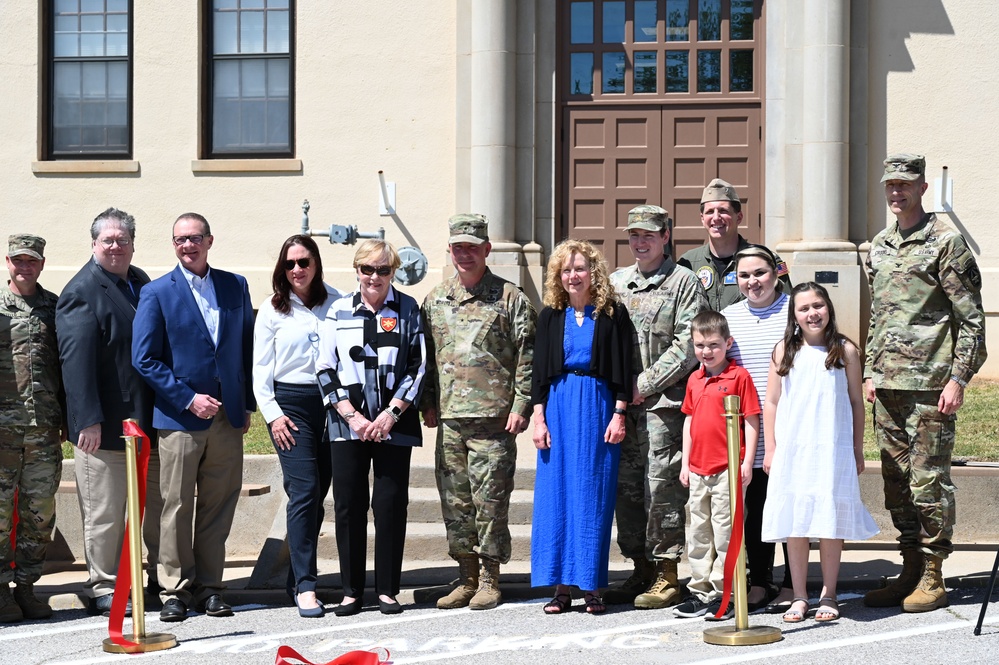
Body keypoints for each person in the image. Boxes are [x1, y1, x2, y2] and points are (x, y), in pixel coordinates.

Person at [863, 153, 987, 613]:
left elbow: (971, 321)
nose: (897, 193)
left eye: (905, 185)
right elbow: (879, 314)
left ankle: (934, 574)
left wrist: (958, 379)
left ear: (921, 188)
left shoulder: (946, 243)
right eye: (890, 186)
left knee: (928, 482)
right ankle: (910, 566)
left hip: (932, 386)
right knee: (895, 483)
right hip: (889, 387)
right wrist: (873, 372)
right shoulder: (878, 245)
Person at [132, 213, 256, 622]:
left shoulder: (234, 285)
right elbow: (144, 358)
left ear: (209, 240)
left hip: (227, 419)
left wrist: (246, 404)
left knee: (219, 505)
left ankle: (211, 587)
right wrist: (188, 398)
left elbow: (244, 348)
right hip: (179, 420)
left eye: (195, 238)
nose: (188, 245)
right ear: (173, 245)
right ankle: (173, 589)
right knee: (176, 505)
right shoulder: (156, 292)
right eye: (180, 240)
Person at [420, 214, 536, 611]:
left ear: (487, 250)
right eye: (458, 247)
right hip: (451, 420)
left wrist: (522, 405)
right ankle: (466, 576)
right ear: (449, 250)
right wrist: (428, 402)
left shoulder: (509, 299)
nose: (465, 254)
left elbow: (528, 357)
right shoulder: (435, 300)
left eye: (472, 247)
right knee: (455, 502)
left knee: (490, 502)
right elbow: (428, 360)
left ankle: (490, 578)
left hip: (494, 421)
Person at [56, 208, 163, 617]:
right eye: (108, 240)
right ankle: (103, 584)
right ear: (94, 244)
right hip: (103, 428)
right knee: (104, 512)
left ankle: (149, 578)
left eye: (123, 240)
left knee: (148, 508)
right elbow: (74, 362)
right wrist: (87, 421)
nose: (116, 246)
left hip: (146, 421)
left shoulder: (139, 281)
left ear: (133, 243)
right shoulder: (82, 290)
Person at [317, 240, 427, 617]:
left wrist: (389, 415)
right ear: (357, 270)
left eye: (383, 270)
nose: (374, 277)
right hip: (348, 424)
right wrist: (353, 417)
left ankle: (387, 590)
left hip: (393, 423)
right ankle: (351, 591)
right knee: (349, 506)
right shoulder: (338, 310)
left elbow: (418, 365)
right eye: (367, 269)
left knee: (390, 504)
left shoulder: (409, 308)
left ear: (393, 271)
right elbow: (324, 367)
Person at [606, 205, 707, 609]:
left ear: (666, 235)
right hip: (621, 408)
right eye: (633, 235)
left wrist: (642, 385)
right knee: (627, 491)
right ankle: (640, 567)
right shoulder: (615, 283)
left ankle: (666, 572)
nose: (640, 242)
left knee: (660, 488)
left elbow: (689, 344)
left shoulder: (683, 282)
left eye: (648, 234)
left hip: (663, 407)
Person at [761, 282, 878, 623]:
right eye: (804, 308)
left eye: (818, 305)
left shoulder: (845, 351)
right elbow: (771, 402)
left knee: (829, 520)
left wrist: (857, 449)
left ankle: (829, 592)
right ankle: (799, 595)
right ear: (794, 315)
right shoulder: (784, 350)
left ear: (828, 308)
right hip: (793, 449)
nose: (813, 313)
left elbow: (857, 403)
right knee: (796, 522)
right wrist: (772, 448)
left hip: (832, 448)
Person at [530, 239, 633, 615]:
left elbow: (624, 366)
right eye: (567, 269)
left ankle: (591, 586)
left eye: (580, 268)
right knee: (556, 496)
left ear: (594, 274)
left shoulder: (612, 314)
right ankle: (560, 588)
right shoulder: (550, 316)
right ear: (559, 276)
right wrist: (538, 417)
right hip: (557, 405)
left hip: (597, 405)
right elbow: (539, 372)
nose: (573, 275)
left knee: (592, 496)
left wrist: (619, 412)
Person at [252, 235, 341, 618]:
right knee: (304, 489)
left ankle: (296, 575)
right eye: (289, 264)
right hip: (292, 406)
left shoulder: (337, 302)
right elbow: (259, 370)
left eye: (304, 262)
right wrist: (273, 415)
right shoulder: (273, 309)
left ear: (316, 263)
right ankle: (306, 585)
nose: (297, 270)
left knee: (318, 492)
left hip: (334, 403)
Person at [720, 245, 794, 612]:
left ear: (776, 272)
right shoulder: (728, 317)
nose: (753, 282)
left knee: (792, 509)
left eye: (760, 273)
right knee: (758, 507)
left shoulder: (795, 311)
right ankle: (760, 580)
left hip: (791, 427)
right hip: (750, 433)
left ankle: (794, 583)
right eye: (744, 275)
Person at [673, 311, 759, 620]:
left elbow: (751, 420)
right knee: (698, 533)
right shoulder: (695, 379)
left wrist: (746, 462)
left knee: (726, 533)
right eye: (700, 345)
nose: (706, 352)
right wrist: (686, 461)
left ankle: (728, 593)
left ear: (728, 343)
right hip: (698, 469)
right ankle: (700, 592)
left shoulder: (739, 377)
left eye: (713, 345)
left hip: (727, 469)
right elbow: (689, 420)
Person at [0, 235, 63, 624]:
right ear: (8, 262)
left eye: (32, 261)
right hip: (2, 432)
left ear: (41, 264)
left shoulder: (54, 308)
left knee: (40, 512)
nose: (25, 267)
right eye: (19, 260)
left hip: (43, 429)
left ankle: (26, 587)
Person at [678, 178, 790, 312]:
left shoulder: (765, 259)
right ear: (702, 219)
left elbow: (787, 305)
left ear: (739, 217)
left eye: (723, 211)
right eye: (709, 212)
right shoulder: (688, 263)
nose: (716, 217)